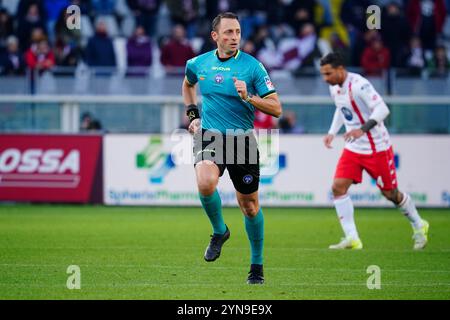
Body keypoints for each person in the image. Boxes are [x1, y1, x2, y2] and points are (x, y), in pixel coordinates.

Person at [182, 12, 282, 284]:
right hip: (210, 136)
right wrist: (193, 117)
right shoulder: (198, 63)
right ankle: (219, 231)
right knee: (205, 182)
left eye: (237, 32)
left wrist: (249, 97)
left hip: (242, 140)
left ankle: (256, 266)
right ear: (215, 36)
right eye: (228, 32)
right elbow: (188, 85)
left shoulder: (252, 67)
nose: (234, 37)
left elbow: (276, 108)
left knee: (249, 206)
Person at [319, 52, 429, 250]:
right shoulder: (334, 88)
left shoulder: (359, 85)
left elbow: (382, 109)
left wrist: (362, 129)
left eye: (328, 74)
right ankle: (352, 238)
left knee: (390, 193)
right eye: (323, 74)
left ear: (340, 69)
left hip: (377, 147)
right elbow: (341, 108)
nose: (325, 79)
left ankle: (419, 224)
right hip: (353, 148)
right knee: (338, 187)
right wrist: (331, 132)